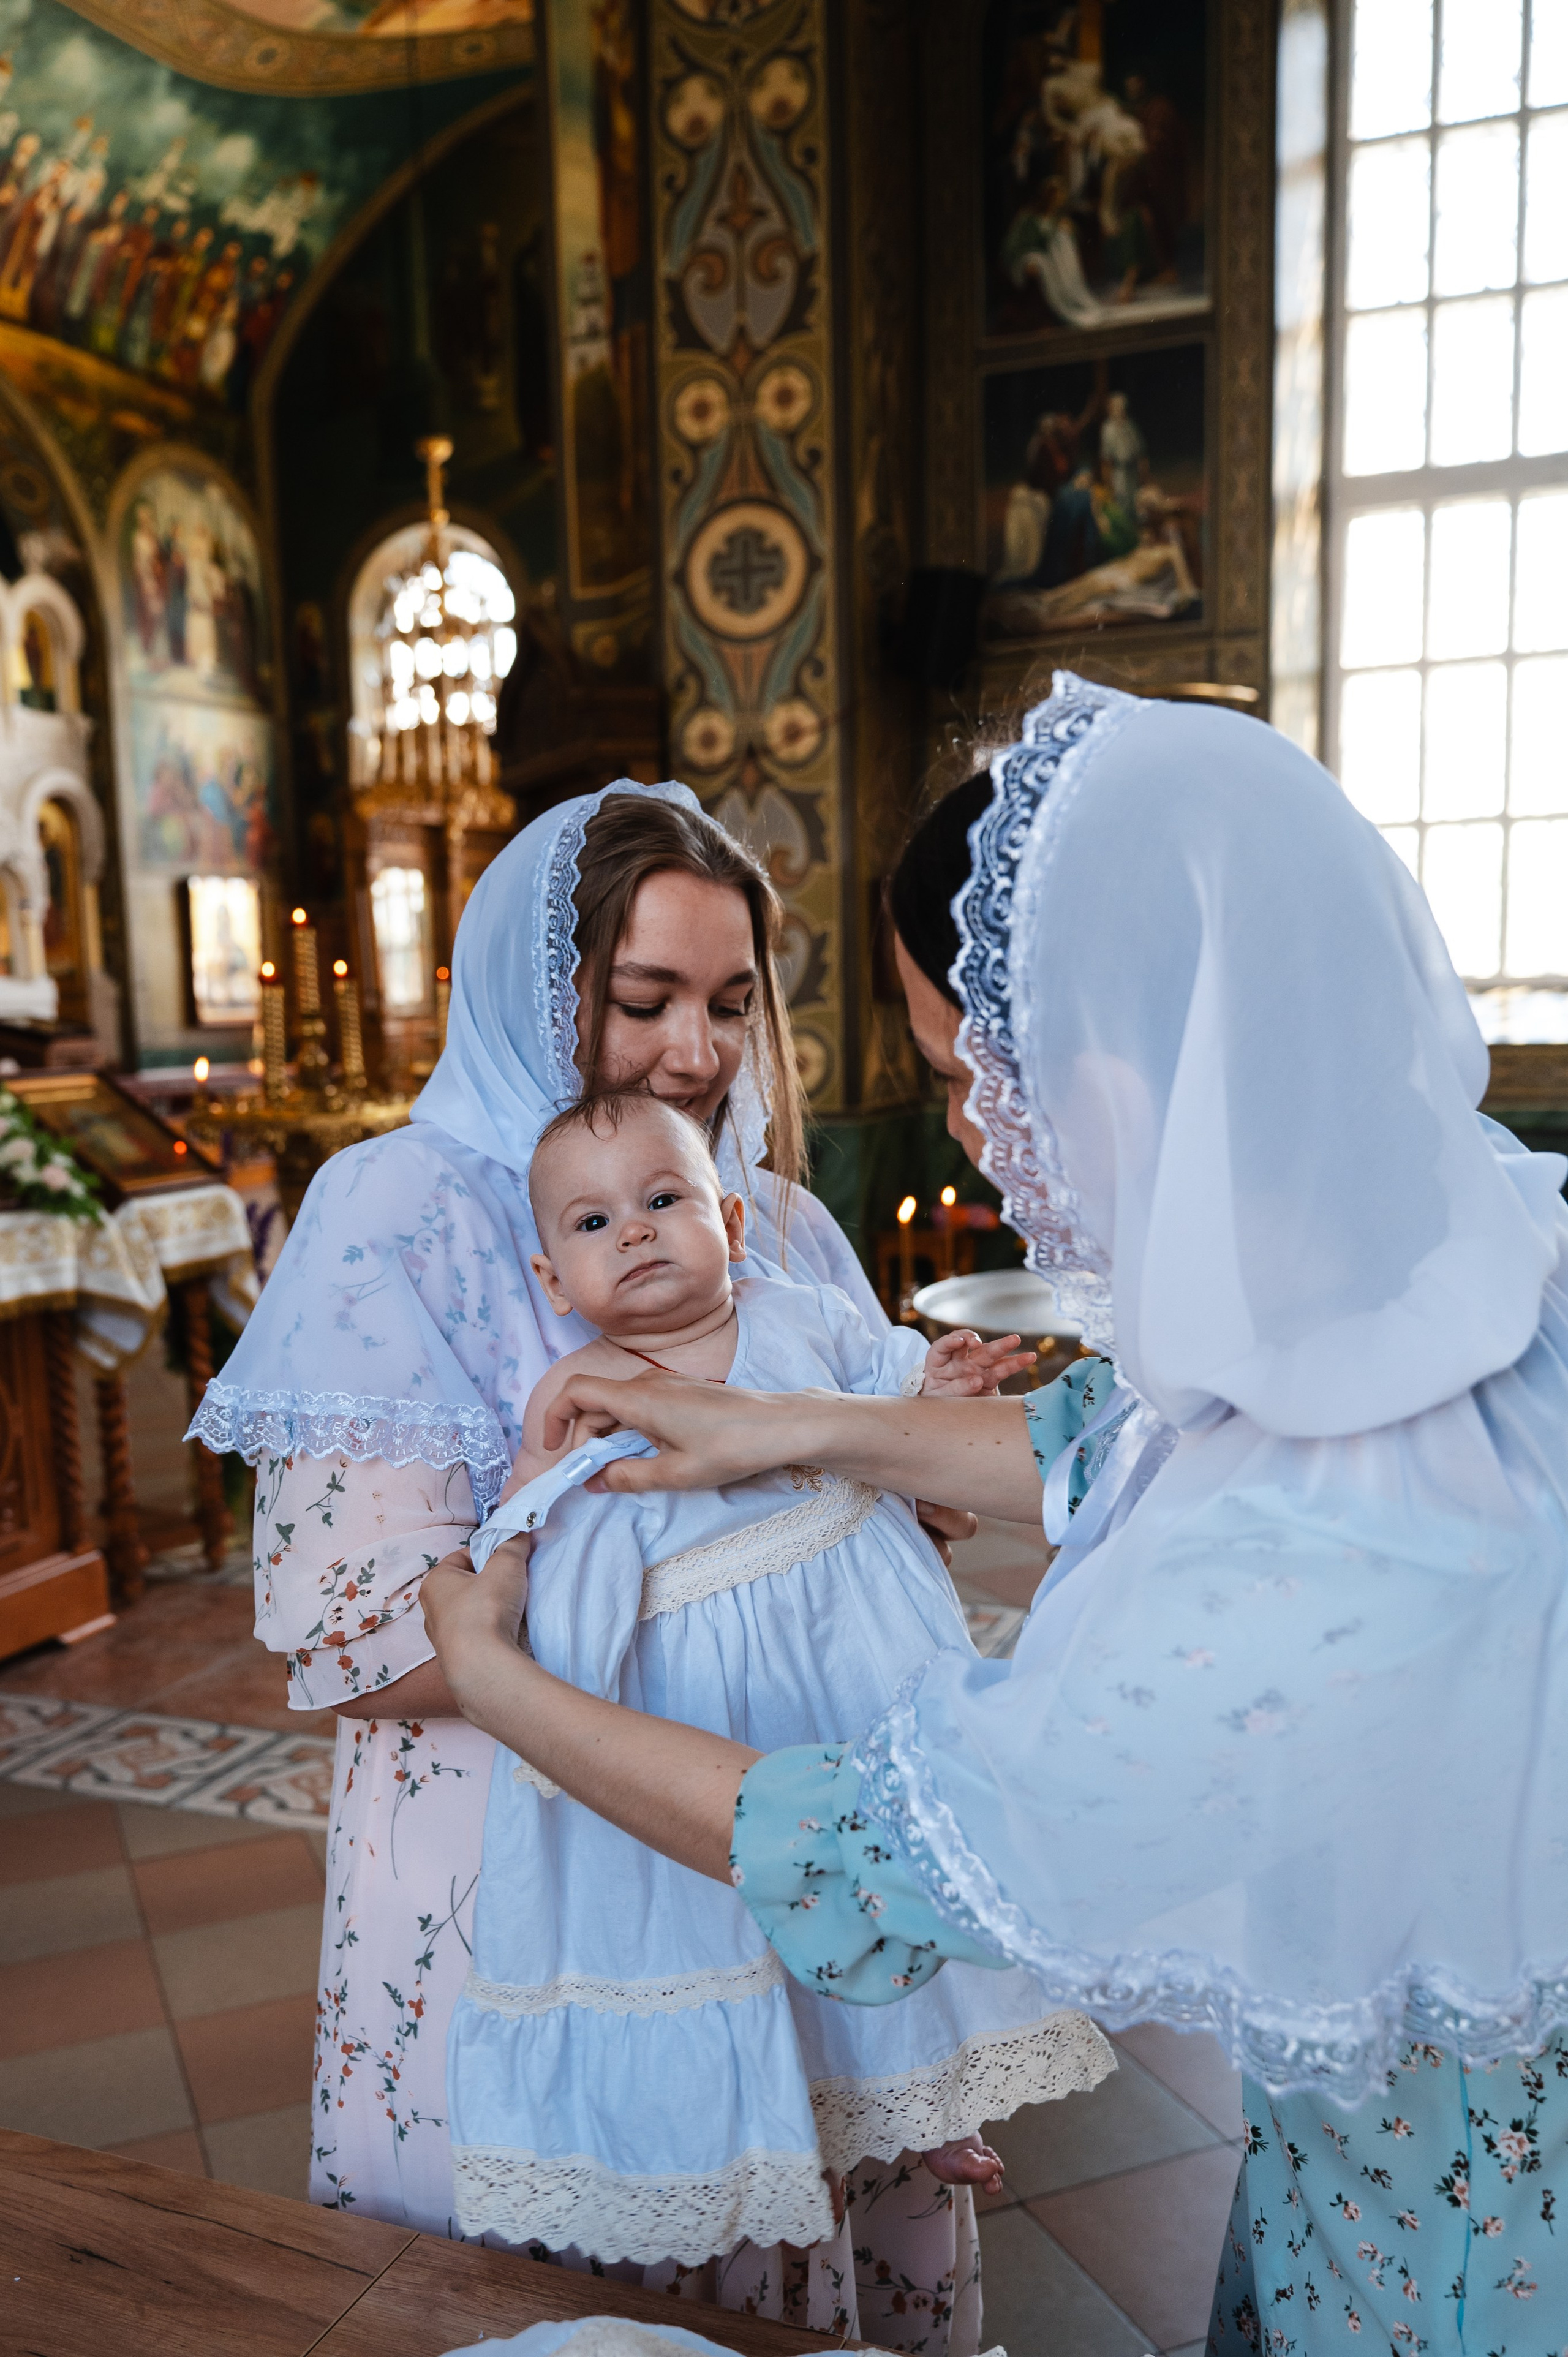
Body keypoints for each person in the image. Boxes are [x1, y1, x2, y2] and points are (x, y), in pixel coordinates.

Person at [424, 673, 1568, 2353]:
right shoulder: (1467, 1243)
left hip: (1454, 2257)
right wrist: (783, 1425)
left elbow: (867, 1848)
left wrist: (498, 1678)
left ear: (1137, 1064)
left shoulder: (1321, 1556)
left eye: (981, 1079)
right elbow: (1107, 1437)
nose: (977, 1133)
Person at [192, 780, 971, 2282]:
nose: (697, 1050)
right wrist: (668, 1581)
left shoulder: (768, 1220)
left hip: (787, 1829)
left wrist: (911, 1481)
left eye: (733, 1002)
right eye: (645, 997)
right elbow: (347, 1633)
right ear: (531, 983)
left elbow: (864, 1522)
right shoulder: (392, 1215)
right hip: (514, 1864)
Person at [445, 1088, 1110, 2317]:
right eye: (593, 1221)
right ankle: (786, 2124)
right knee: (758, 1930)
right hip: (708, 1693)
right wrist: (511, 1550)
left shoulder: (796, 1315)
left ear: (731, 1219)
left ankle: (935, 2102)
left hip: (852, 1664)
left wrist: (944, 1380)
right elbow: (532, 1532)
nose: (634, 1232)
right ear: (550, 1273)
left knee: (898, 1881)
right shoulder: (572, 1391)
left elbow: (901, 1412)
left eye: (663, 1199)